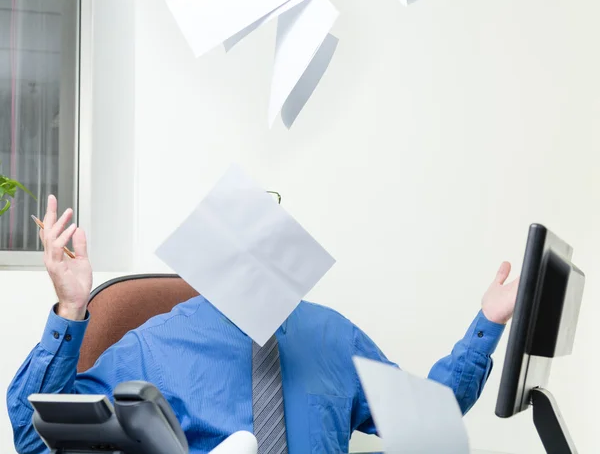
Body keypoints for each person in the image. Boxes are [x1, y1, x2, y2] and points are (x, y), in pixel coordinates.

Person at [7, 196, 518, 454]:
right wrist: (72, 308)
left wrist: (487, 323)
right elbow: (36, 439)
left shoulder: (332, 336)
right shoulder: (154, 345)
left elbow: (426, 420)